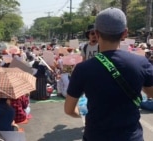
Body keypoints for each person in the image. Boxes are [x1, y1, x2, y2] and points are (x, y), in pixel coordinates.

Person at [64, 8, 153, 141]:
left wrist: (81, 115)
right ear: (125, 33)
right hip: (131, 137)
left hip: (95, 136)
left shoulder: (82, 69)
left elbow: (69, 109)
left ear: (97, 33)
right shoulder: (141, 63)